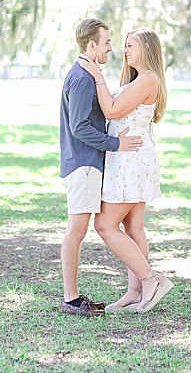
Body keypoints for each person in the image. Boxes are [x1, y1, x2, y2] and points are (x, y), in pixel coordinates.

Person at [77, 27, 173, 314]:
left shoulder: (148, 79)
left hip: (132, 161)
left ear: (145, 48)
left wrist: (97, 76)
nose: (124, 50)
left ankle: (150, 280)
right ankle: (135, 291)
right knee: (133, 227)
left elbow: (112, 110)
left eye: (130, 45)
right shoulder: (138, 79)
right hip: (129, 158)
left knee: (105, 225)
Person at [59, 18, 144, 317]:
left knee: (79, 230)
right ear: (92, 45)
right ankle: (70, 298)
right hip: (83, 165)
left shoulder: (85, 74)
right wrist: (115, 144)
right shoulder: (82, 78)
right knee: (77, 231)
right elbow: (80, 126)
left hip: (87, 164)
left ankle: (74, 296)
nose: (112, 48)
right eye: (107, 43)